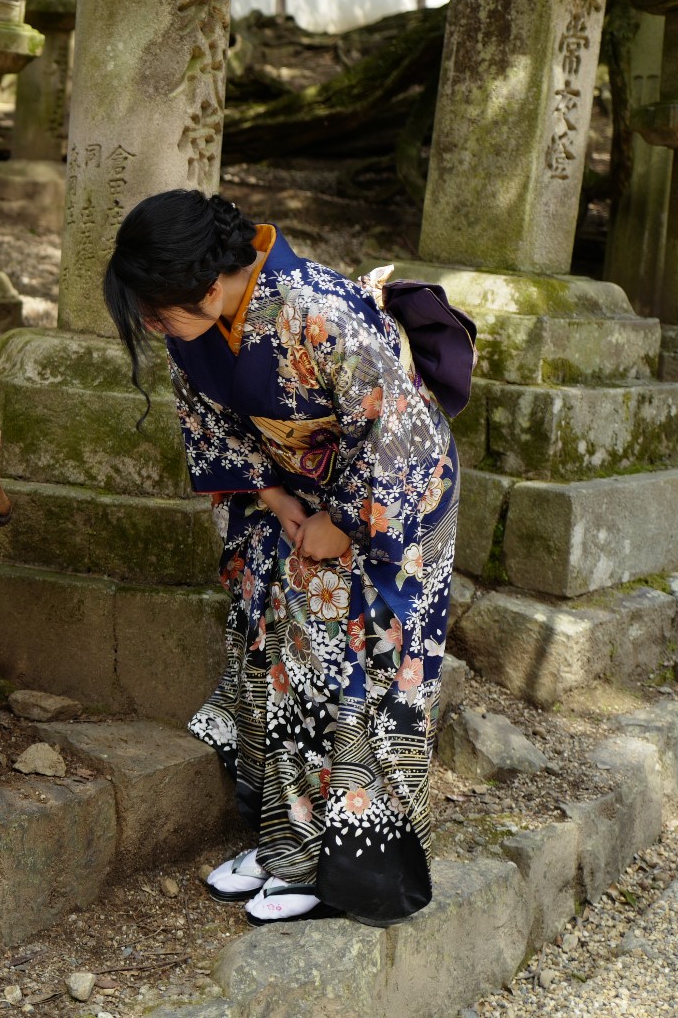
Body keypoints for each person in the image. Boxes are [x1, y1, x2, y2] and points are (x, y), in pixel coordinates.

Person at [102, 189, 458, 925]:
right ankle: (284, 845)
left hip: (392, 500)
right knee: (271, 648)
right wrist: (271, 496)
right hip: (295, 491)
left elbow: (400, 432)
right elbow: (207, 418)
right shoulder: (194, 318)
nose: (149, 324)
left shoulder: (318, 310)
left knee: (355, 668)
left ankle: (346, 868)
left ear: (206, 285)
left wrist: (343, 519)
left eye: (157, 311)